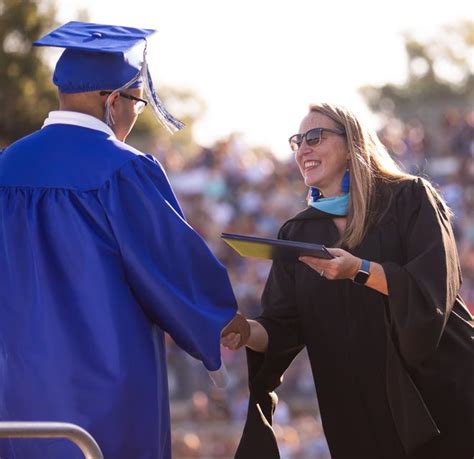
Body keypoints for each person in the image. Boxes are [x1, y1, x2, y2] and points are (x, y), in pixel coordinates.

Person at [0, 21, 239, 459]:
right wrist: (224, 323)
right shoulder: (123, 171)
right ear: (113, 102)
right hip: (104, 399)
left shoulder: (5, 168)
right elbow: (173, 271)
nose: (135, 115)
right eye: (138, 103)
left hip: (16, 397)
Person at [221, 102, 474, 459]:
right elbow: (281, 327)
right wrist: (245, 331)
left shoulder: (410, 198)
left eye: (315, 136)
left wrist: (360, 270)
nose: (303, 148)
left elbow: (433, 288)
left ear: (352, 142)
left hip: (438, 395)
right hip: (359, 413)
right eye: (298, 141)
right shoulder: (299, 232)